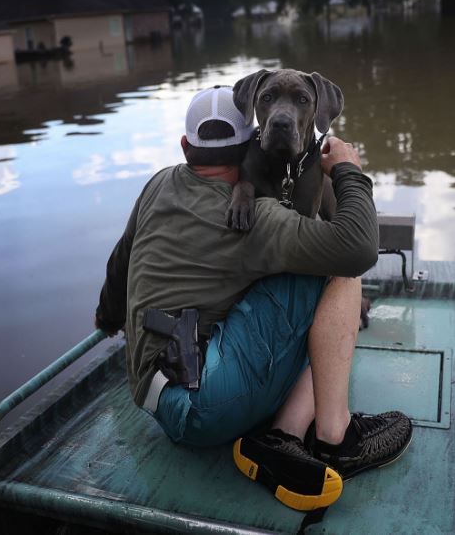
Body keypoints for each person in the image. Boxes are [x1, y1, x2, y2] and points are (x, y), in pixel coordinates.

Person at [95, 86, 412, 511]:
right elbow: (358, 247)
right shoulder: (254, 217)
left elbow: (120, 263)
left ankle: (282, 431)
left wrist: (108, 319)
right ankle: (332, 438)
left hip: (153, 400)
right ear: (250, 143)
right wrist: (349, 171)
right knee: (338, 269)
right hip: (207, 408)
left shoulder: (158, 184)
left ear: (185, 145)